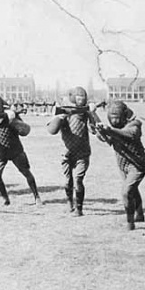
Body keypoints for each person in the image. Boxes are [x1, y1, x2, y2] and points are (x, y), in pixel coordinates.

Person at [93, 100, 145, 231]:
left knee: (126, 192)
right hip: (123, 165)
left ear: (124, 115)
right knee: (132, 190)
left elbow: (129, 134)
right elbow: (107, 139)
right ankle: (139, 213)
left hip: (137, 165)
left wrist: (110, 130)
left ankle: (130, 223)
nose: (115, 121)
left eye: (117, 118)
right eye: (112, 118)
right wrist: (99, 131)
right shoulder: (113, 128)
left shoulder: (135, 124)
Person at [46, 86, 92, 216]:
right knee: (68, 180)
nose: (81, 101)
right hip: (66, 153)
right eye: (78, 98)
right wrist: (59, 118)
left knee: (78, 179)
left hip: (82, 152)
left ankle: (79, 208)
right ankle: (69, 202)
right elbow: (51, 130)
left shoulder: (86, 113)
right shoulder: (64, 112)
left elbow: (94, 129)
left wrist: (93, 113)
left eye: (83, 99)